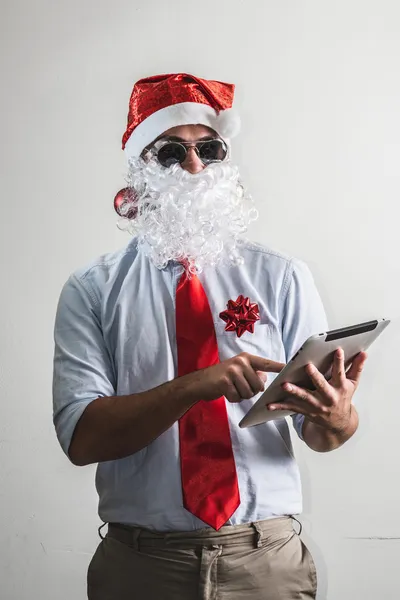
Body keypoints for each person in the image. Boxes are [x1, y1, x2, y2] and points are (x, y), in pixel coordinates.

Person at [52, 73, 367, 600]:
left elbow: (323, 436)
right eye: (172, 153)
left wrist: (337, 415)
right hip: (142, 566)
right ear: (142, 169)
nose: (195, 167)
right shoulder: (92, 290)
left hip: (265, 562)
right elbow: (83, 440)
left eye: (210, 150)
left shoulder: (282, 277)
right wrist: (197, 384)